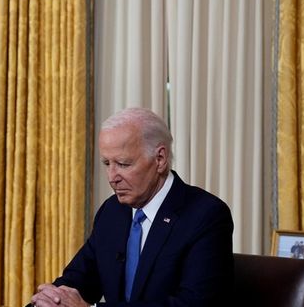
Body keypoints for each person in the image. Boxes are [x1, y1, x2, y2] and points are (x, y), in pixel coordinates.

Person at [30, 108, 234, 307]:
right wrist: (49, 300)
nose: (112, 178)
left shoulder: (206, 215)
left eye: (123, 164)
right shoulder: (112, 212)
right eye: (107, 163)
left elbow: (193, 303)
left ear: (160, 159)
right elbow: (77, 281)